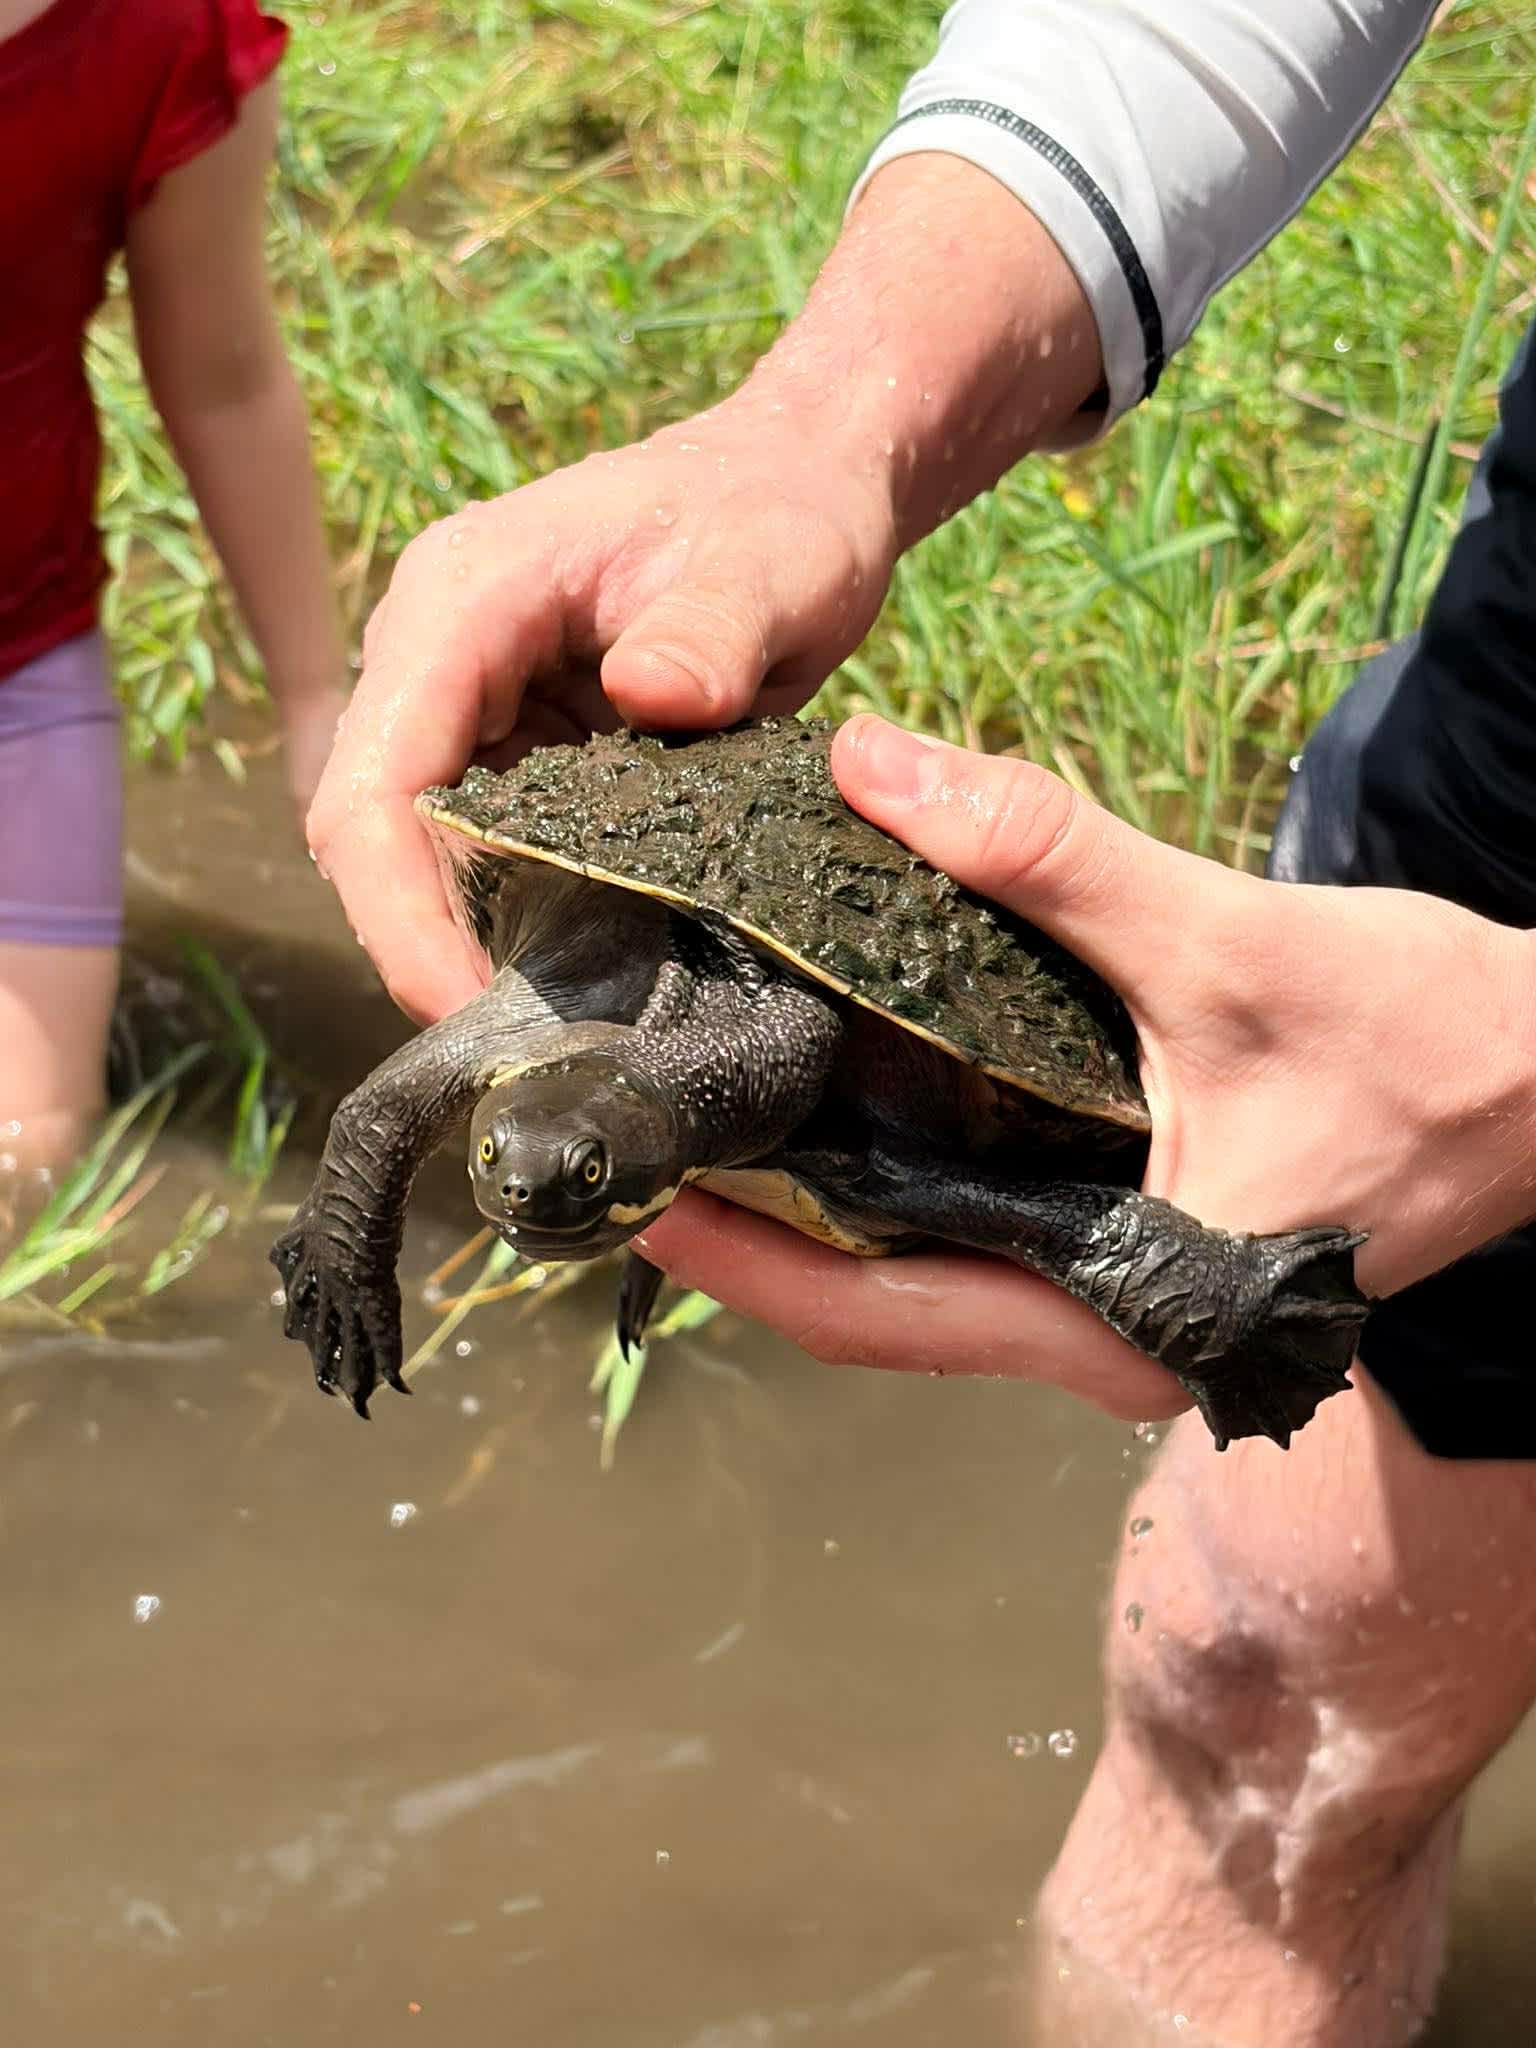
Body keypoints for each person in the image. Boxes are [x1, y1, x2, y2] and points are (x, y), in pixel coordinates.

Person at [307, 3, 1536, 2040]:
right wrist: (833, 417)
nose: (532, 1182)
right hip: (1458, 792)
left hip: (909, 1064)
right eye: (548, 1165)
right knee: (1256, 1683)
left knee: (1156, 1254)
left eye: (561, 1168)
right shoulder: (549, 1033)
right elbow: (393, 1123)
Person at [0, 0, 348, 1177]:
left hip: (19, 662)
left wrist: (314, 696)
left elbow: (226, 381)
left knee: (31, 1156)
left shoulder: (159, 37)